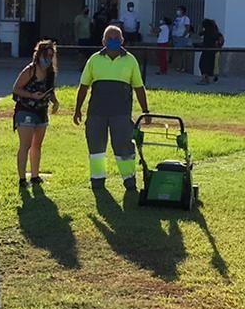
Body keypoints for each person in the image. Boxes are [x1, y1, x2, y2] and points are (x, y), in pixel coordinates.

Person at [74, 25, 150, 192]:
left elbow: (139, 87)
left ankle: (129, 179)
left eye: (117, 38)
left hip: (121, 114)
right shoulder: (94, 60)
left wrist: (146, 110)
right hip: (96, 113)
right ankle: (97, 180)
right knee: (96, 148)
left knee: (124, 147)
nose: (114, 41)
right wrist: (77, 109)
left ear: (122, 40)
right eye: (110, 38)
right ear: (103, 41)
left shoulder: (130, 60)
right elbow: (84, 86)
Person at [11, 39, 59, 186]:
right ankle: (22, 179)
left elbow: (50, 90)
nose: (48, 59)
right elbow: (16, 89)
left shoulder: (50, 73)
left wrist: (55, 102)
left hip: (41, 111)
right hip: (26, 110)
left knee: (37, 145)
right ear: (38, 55)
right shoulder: (30, 70)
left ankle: (35, 176)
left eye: (51, 56)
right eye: (46, 55)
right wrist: (32, 95)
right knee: (25, 145)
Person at [197, 17, 222, 84]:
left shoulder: (208, 32)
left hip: (208, 50)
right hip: (210, 51)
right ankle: (206, 79)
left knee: (203, 65)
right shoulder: (214, 32)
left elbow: (199, 33)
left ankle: (205, 79)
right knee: (207, 65)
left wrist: (200, 27)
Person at [172, 5, 193, 73]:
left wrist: (183, 35)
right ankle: (179, 66)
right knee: (178, 53)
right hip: (176, 37)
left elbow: (187, 28)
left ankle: (183, 67)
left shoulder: (186, 19)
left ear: (182, 11)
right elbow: (175, 27)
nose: (178, 11)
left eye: (179, 10)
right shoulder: (177, 19)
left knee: (182, 53)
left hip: (182, 38)